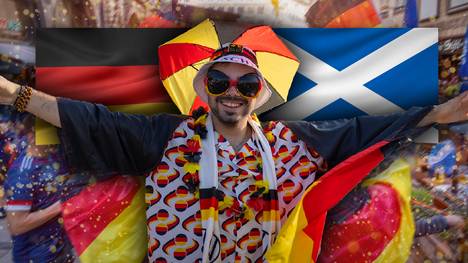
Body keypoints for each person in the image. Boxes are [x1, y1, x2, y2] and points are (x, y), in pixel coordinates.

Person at [0, 43, 467, 262]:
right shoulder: (165, 136)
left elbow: (368, 130)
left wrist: (442, 113)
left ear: (258, 93)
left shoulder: (294, 143)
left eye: (244, 84)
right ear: (206, 90)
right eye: (220, 81)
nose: (232, 92)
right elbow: (90, 118)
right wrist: (12, 94)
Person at [1, 112, 75, 263]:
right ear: (31, 136)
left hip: (62, 251)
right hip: (36, 257)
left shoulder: (53, 156)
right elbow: (17, 225)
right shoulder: (22, 172)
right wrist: (60, 206)